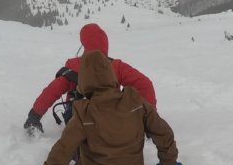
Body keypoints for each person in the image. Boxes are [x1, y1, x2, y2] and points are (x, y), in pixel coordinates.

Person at [34, 48, 180, 165]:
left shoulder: (84, 112)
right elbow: (163, 131)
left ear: (84, 79)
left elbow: (62, 150)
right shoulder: (135, 100)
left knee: (74, 141)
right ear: (110, 73)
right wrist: (168, 163)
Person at [23, 23, 156, 134]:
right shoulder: (117, 66)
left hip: (78, 122)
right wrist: (148, 120)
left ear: (84, 44)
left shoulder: (73, 66)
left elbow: (52, 91)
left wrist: (34, 115)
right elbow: (145, 84)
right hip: (112, 120)